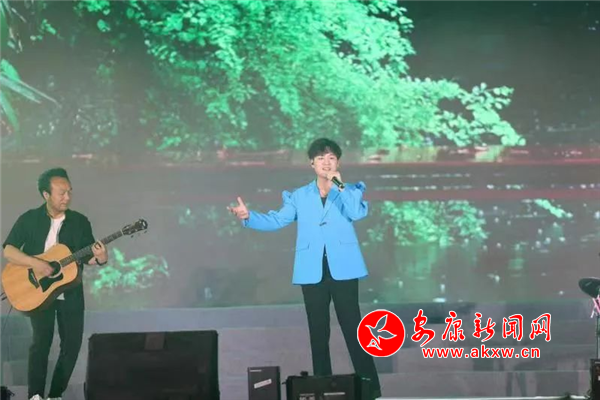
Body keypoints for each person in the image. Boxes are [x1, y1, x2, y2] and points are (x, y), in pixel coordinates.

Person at [228, 138, 381, 399]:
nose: (326, 162)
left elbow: (357, 213)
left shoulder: (349, 191)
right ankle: (322, 388)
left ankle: (369, 389)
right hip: (312, 269)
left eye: (331, 158)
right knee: (318, 332)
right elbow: (277, 220)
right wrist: (249, 217)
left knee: (354, 329)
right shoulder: (300, 196)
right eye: (321, 158)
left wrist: (339, 185)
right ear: (312, 163)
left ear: (338, 162)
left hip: (344, 267)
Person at [2, 168, 108, 400]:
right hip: (38, 293)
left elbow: (88, 257)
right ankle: (35, 395)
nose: (67, 197)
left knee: (72, 345)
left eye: (69, 192)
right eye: (61, 193)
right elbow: (8, 250)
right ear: (46, 195)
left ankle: (55, 395)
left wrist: (100, 258)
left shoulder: (80, 222)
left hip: (70, 293)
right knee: (41, 343)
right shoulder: (29, 219)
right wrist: (36, 264)